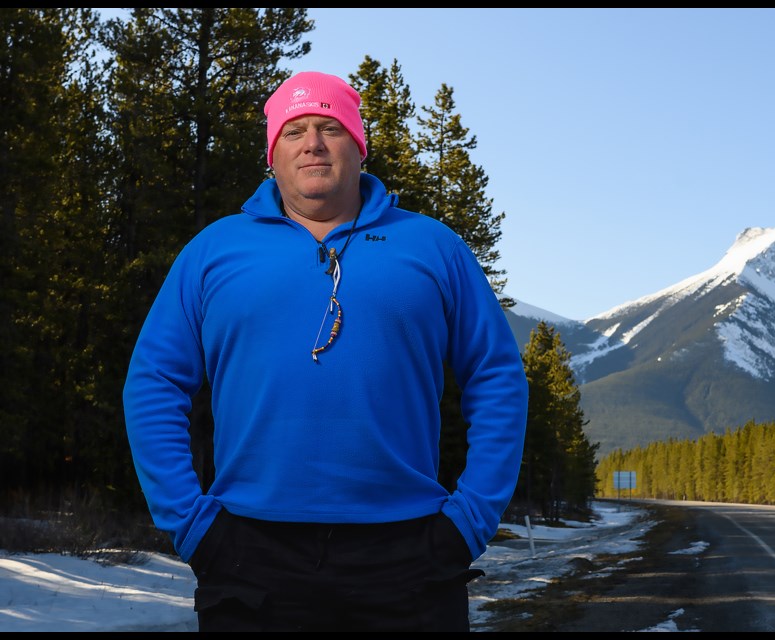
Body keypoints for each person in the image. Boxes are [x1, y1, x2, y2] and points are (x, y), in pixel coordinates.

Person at [122, 70, 529, 632]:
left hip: (412, 553)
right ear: (273, 154)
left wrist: (469, 520)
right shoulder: (213, 251)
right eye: (294, 131)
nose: (312, 143)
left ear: (357, 145)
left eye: (330, 127)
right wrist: (191, 523)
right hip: (247, 551)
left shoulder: (434, 247)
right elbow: (153, 381)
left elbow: (497, 376)